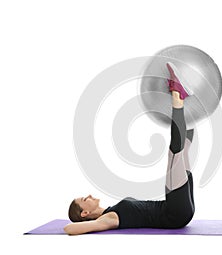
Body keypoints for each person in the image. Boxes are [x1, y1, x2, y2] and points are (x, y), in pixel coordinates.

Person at [64, 62, 195, 235]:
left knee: (183, 148)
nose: (88, 195)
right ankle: (178, 97)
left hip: (179, 210)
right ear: (85, 213)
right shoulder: (108, 219)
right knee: (175, 154)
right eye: (84, 199)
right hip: (175, 213)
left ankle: (191, 106)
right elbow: (69, 228)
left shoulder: (111, 210)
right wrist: (89, 223)